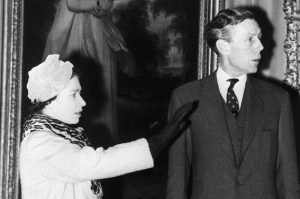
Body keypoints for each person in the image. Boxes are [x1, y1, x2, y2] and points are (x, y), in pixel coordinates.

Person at [19, 54, 196, 199]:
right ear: (49, 101)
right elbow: (98, 163)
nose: (83, 102)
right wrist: (160, 139)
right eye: (74, 95)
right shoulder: (40, 143)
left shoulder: (59, 135)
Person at [167, 8, 300, 199]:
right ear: (223, 47)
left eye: (259, 38)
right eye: (250, 39)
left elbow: (289, 180)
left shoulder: (278, 99)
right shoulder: (185, 97)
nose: (260, 46)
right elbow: (176, 181)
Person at [42, 0, 127, 141]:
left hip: (98, 25)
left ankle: (100, 138)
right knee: (71, 80)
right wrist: (96, 3)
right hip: (70, 25)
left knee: (99, 81)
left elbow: (107, 3)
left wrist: (103, 7)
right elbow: (73, 3)